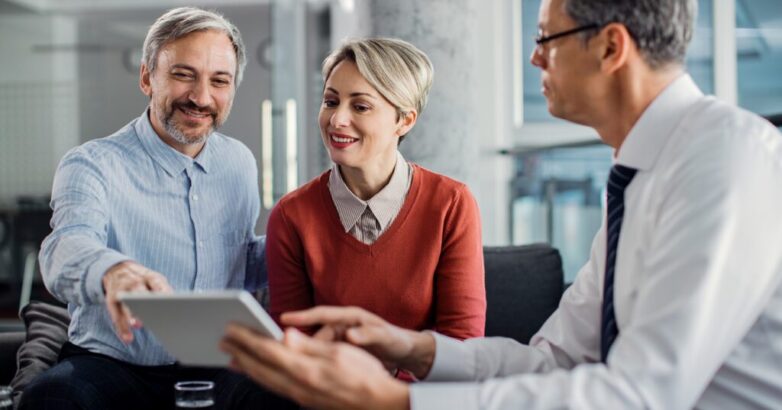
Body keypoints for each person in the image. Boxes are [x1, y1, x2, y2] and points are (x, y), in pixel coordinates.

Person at [220, 0, 782, 408]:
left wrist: (396, 401)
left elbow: (639, 393)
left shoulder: (723, 156)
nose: (535, 59)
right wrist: (410, 347)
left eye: (547, 38)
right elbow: (554, 360)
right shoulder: (638, 175)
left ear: (611, 47)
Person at [21, 7, 295, 410]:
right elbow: (66, 246)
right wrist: (112, 271)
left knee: (291, 395)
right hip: (114, 363)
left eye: (219, 81)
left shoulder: (240, 162)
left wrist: (307, 248)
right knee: (51, 399)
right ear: (148, 77)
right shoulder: (92, 163)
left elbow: (234, 259)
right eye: (184, 74)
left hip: (221, 364)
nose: (201, 97)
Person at [266, 38, 486, 343]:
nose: (337, 120)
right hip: (327, 390)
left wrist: (390, 389)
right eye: (331, 102)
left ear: (404, 121)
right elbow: (293, 341)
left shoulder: (451, 204)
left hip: (425, 392)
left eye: (360, 106)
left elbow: (462, 340)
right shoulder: (291, 216)